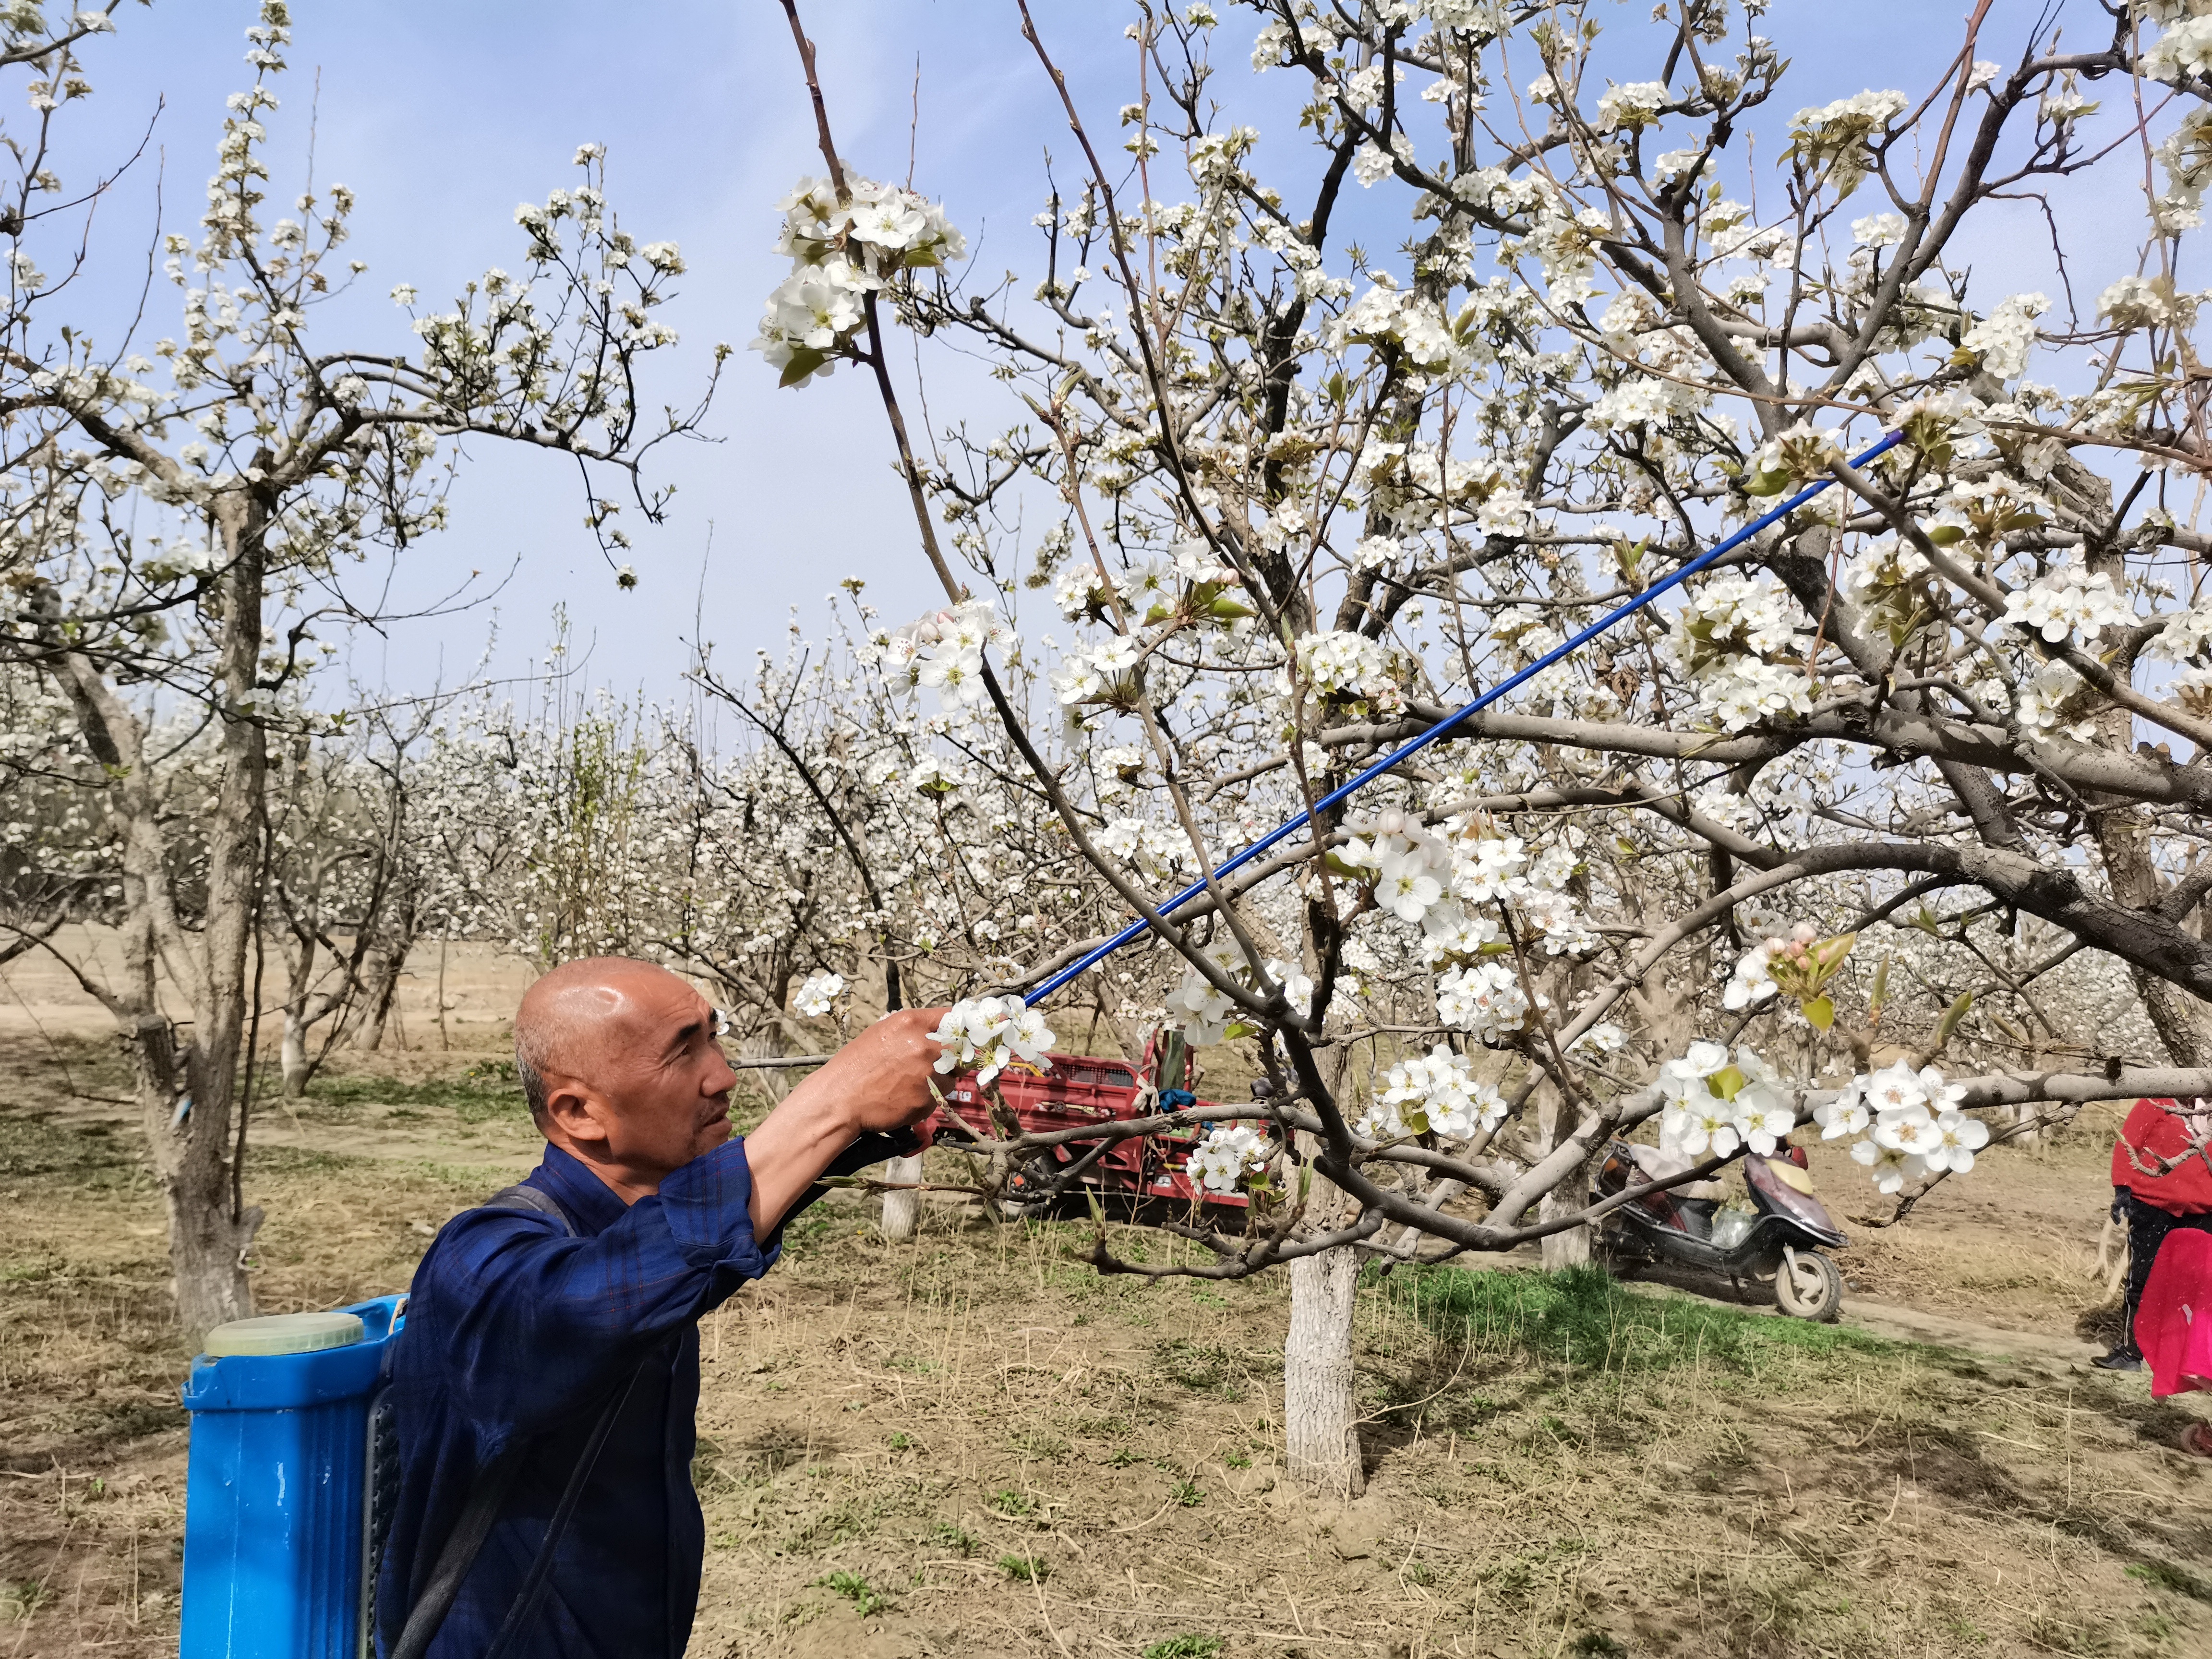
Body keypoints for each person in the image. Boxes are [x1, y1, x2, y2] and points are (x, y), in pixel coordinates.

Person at [373, 957, 945, 1659]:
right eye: (683, 1051)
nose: (723, 1075)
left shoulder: (635, 1235)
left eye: (713, 1037)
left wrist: (856, 1139)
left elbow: (685, 1249)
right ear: (578, 1113)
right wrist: (833, 1102)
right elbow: (600, 1301)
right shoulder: (480, 1262)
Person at [2094, 1096, 2212, 1372]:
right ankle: (2131, 1353)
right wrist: (2122, 1189)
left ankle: (2184, 1361)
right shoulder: (2156, 1101)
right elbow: (2128, 1143)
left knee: (2193, 1286)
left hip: (2203, 1211)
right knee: (2143, 1278)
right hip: (2153, 1206)